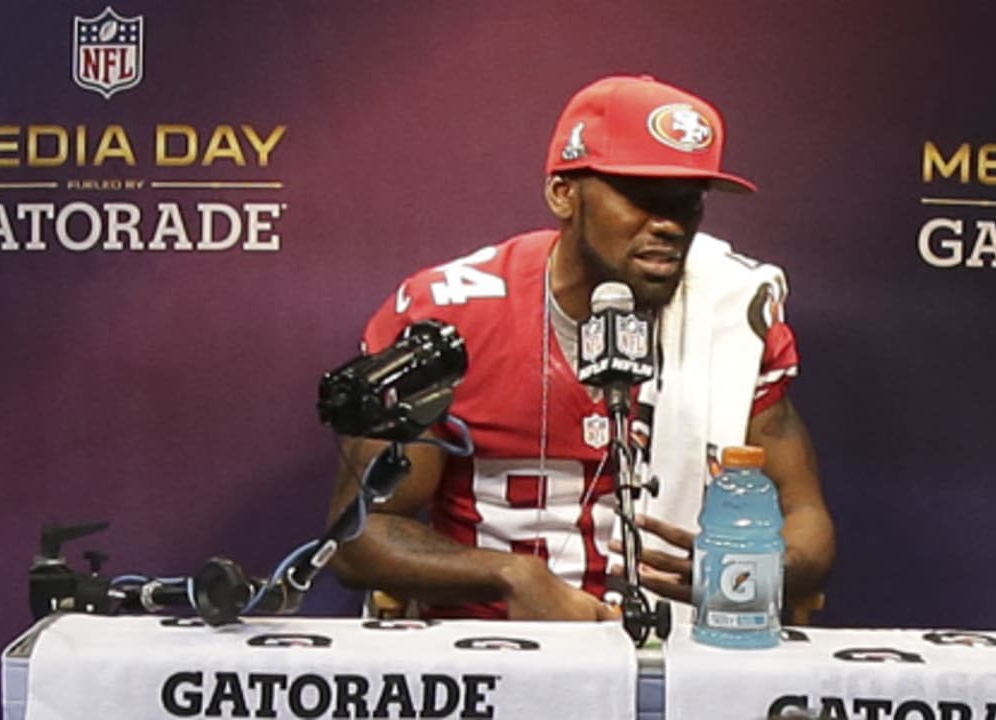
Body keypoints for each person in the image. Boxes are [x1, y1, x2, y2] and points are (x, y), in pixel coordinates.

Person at [326, 74, 835, 622]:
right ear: (563, 193)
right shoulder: (453, 315)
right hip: (497, 655)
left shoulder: (731, 310)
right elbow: (359, 534)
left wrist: (756, 569)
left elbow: (804, 515)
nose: (668, 225)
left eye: (687, 204)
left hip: (682, 652)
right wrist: (511, 575)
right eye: (641, 197)